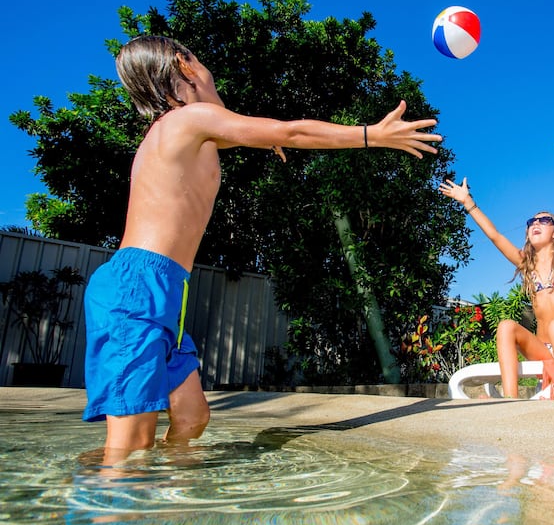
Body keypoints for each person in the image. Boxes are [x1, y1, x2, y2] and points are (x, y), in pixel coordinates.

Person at [84, 35, 442, 459]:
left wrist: (263, 137)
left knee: (192, 419)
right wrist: (372, 134)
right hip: (137, 288)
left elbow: (249, 134)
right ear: (185, 64)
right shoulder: (189, 120)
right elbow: (290, 130)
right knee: (130, 445)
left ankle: (164, 493)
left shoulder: (188, 131)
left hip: (167, 291)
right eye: (199, 56)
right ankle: (108, 503)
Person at [439, 128, 554, 399]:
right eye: (532, 222)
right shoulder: (526, 264)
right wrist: (468, 202)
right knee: (506, 326)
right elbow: (496, 236)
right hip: (544, 347)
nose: (536, 224)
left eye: (544, 221)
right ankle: (511, 402)